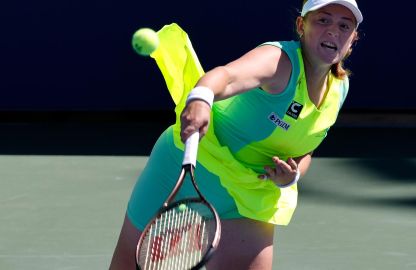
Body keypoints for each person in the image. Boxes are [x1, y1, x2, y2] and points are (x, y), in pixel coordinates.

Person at [110, 0, 363, 269]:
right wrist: (201, 99)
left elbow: (305, 147)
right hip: (185, 165)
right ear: (302, 25)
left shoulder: (339, 89)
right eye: (323, 20)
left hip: (246, 195)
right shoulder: (278, 60)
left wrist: (293, 175)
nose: (333, 31)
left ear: (353, 39)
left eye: (344, 26)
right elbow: (227, 76)